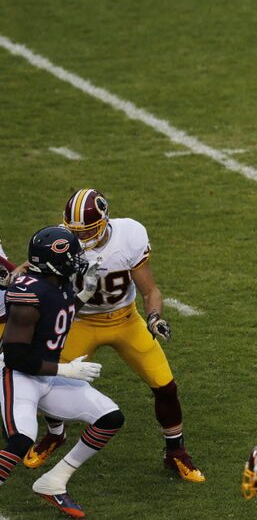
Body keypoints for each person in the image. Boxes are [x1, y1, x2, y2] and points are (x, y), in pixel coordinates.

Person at [23, 189, 205, 482]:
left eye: (88, 230)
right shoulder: (59, 240)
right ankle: (55, 434)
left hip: (125, 318)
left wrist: (155, 317)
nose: (80, 238)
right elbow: (33, 271)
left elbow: (150, 290)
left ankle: (175, 452)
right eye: (75, 231)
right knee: (47, 383)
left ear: (104, 221)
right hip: (79, 322)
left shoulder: (129, 234)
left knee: (165, 386)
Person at [1, 226, 124, 518]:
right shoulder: (28, 295)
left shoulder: (58, 282)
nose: (77, 261)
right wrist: (66, 369)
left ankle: (53, 482)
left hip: (45, 375)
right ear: (51, 261)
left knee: (109, 417)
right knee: (22, 439)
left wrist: (84, 294)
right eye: (71, 256)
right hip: (15, 375)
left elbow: (60, 312)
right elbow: (17, 356)